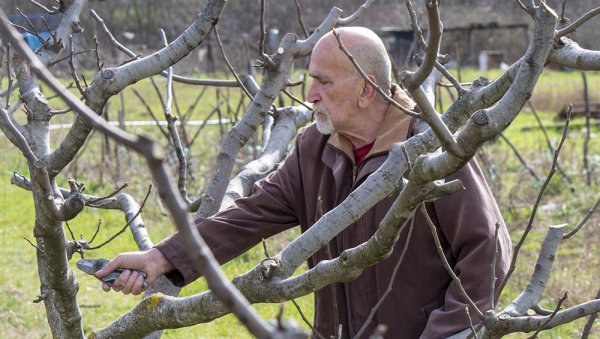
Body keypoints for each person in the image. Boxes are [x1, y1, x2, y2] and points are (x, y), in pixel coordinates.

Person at [97, 27, 512, 338]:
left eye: (324, 82)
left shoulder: (431, 148)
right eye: (310, 79)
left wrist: (447, 332)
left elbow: (488, 246)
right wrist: (161, 258)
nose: (309, 94)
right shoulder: (315, 147)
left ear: (367, 90)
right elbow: (247, 216)